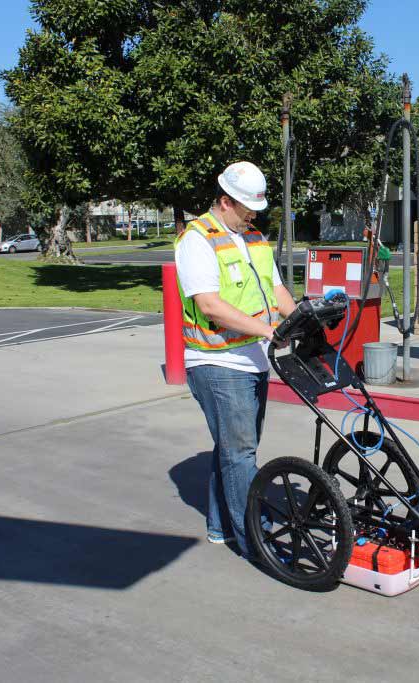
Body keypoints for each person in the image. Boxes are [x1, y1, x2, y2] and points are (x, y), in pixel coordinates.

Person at [175, 161, 296, 557]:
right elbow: (210, 305)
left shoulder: (255, 237)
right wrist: (266, 331)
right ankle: (254, 542)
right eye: (247, 210)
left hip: (253, 360)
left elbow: (277, 290)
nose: (252, 217)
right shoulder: (197, 240)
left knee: (233, 448)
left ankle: (220, 526)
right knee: (241, 453)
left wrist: (300, 324)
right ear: (225, 202)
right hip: (218, 362)